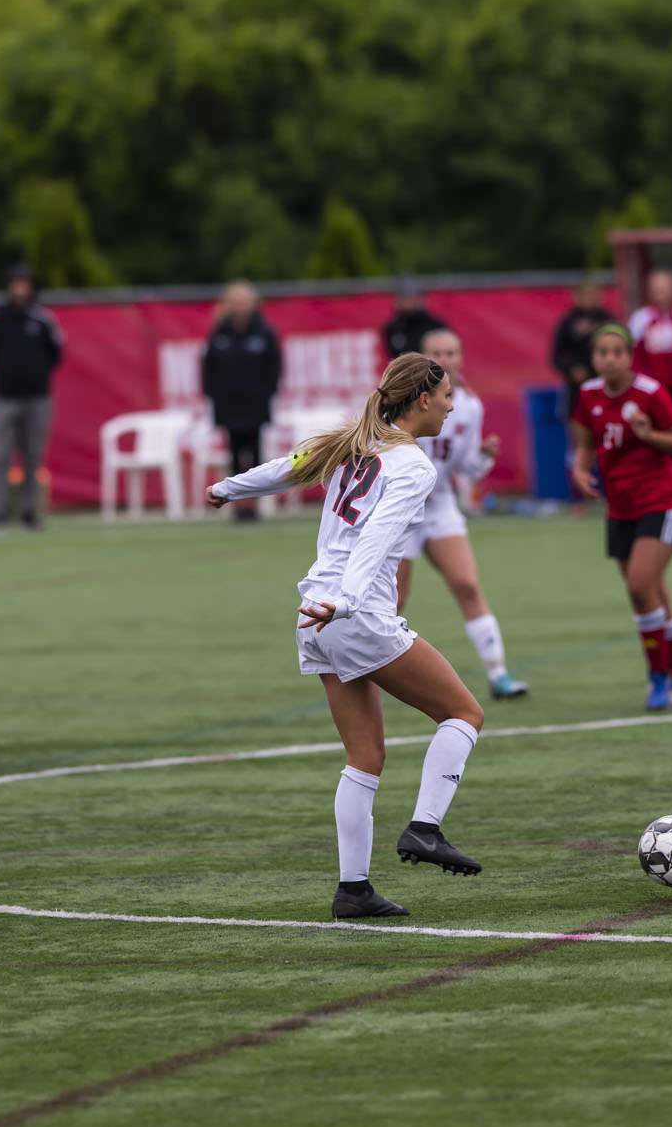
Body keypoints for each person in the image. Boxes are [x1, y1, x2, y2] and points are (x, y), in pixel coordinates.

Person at [206, 353, 486, 921]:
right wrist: (349, 600)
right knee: (464, 714)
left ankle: (352, 891)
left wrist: (225, 488)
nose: (454, 404)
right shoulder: (412, 465)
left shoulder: (355, 443)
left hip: (314, 613)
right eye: (448, 395)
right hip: (349, 613)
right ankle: (425, 828)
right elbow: (378, 539)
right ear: (422, 400)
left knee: (364, 756)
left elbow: (286, 466)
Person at [570, 324, 672, 711]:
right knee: (654, 594)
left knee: (641, 586)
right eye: (602, 352)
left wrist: (650, 435)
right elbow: (584, 444)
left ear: (629, 357)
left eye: (617, 352)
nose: (609, 359)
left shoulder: (649, 393)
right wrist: (580, 471)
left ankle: (658, 679)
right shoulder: (588, 394)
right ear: (594, 359)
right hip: (620, 507)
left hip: (662, 500)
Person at [395, 326, 529, 699]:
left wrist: (484, 456)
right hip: (399, 511)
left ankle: (498, 674)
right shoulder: (402, 400)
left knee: (468, 585)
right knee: (394, 600)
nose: (445, 359)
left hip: (439, 505)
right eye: (436, 352)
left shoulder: (468, 404)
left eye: (451, 353)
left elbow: (468, 468)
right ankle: (367, 676)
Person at [0, 263, 65, 530]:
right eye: (15, 284)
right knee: (2, 455)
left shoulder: (42, 320)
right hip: (5, 399)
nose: (19, 289)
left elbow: (56, 355)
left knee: (32, 458)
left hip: (37, 398)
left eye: (24, 283)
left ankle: (30, 513)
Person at [201, 280, 283, 522]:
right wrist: (214, 396)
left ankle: (254, 505)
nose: (240, 307)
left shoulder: (264, 332)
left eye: (244, 301)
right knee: (235, 455)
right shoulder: (219, 333)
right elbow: (209, 369)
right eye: (235, 302)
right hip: (229, 407)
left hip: (255, 406)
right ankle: (236, 504)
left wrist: (267, 393)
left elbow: (274, 368)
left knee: (255, 454)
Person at [549, 278, 615, 415]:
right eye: (585, 295)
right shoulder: (568, 322)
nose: (589, 299)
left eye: (593, 295)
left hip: (606, 385)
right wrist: (572, 369)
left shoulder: (608, 320)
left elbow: (621, 351)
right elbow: (557, 355)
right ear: (576, 297)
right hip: (577, 389)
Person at [381, 275, 447, 360]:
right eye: (403, 296)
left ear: (420, 298)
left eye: (411, 295)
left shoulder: (435, 325)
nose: (407, 300)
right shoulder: (392, 328)